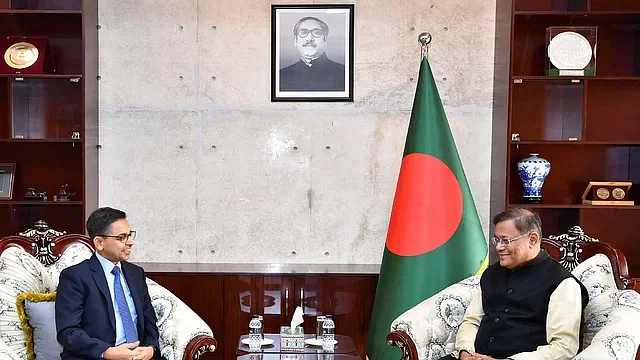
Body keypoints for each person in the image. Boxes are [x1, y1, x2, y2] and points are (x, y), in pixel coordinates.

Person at [440, 208, 588, 360]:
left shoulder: (563, 283)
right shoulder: (492, 273)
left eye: (506, 241)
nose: (498, 247)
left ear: (532, 240)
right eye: (497, 240)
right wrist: (464, 352)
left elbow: (563, 348)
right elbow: (472, 321)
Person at [55, 207, 163, 360]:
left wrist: (151, 349)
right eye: (122, 237)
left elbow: (150, 321)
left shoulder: (136, 274)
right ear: (99, 243)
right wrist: (107, 352)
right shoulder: (75, 277)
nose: (130, 242)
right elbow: (68, 331)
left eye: (130, 235)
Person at [279, 16, 345, 92]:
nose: (309, 38)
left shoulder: (344, 73)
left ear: (325, 40)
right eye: (303, 32)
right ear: (295, 41)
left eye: (316, 33)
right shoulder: (281, 75)